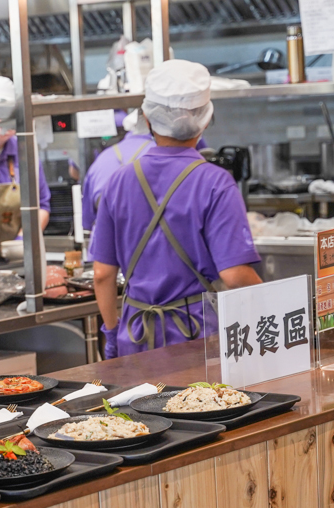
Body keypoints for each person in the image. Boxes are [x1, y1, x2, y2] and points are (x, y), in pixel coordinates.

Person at [90, 59, 262, 359]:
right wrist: (284, 307)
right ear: (205, 119)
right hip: (195, 340)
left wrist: (112, 335)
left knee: (135, 406)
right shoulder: (216, 182)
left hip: (135, 336)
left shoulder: (118, 181)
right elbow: (234, 276)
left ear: (146, 116)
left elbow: (103, 273)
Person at [0, 76, 51, 252]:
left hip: (15, 258)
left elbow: (41, 206)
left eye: (5, 116)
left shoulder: (26, 154)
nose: (0, 125)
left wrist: (22, 240)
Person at [81, 109, 155, 231]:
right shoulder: (160, 153)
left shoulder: (102, 159)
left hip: (109, 239)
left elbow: (87, 221)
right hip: (149, 238)